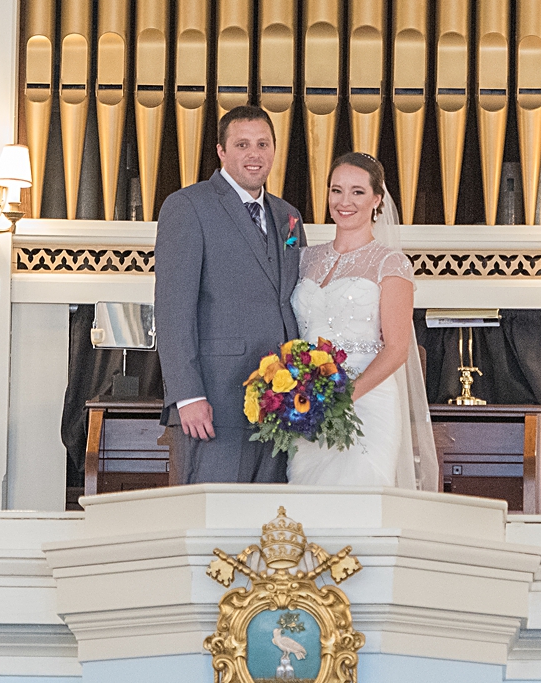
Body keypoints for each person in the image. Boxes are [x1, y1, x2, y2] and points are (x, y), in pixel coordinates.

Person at [152, 104, 303, 484]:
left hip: (280, 402)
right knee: (214, 524)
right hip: (215, 401)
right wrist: (187, 396)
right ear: (221, 151)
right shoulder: (188, 206)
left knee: (270, 526)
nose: (255, 154)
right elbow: (173, 309)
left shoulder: (289, 216)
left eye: (263, 144)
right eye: (242, 144)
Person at [287, 153, 441, 490]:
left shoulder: (391, 263)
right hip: (310, 401)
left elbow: (398, 348)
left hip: (367, 402)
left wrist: (344, 396)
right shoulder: (304, 259)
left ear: (377, 199)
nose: (344, 202)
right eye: (336, 190)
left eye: (357, 192)